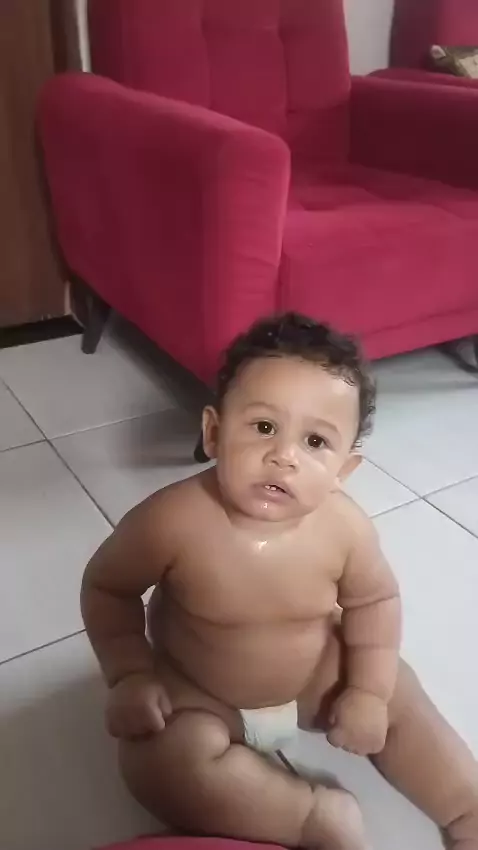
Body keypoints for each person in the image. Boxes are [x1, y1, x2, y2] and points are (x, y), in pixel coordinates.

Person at [81, 313, 478, 850]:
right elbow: (108, 588)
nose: (283, 456)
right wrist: (130, 674)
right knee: (154, 761)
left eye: (315, 440)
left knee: (398, 692)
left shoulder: (345, 530)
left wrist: (367, 691)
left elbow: (375, 602)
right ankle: (311, 817)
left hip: (314, 681)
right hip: (201, 693)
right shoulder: (170, 521)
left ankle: (466, 808)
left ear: (343, 470)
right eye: (264, 427)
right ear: (214, 433)